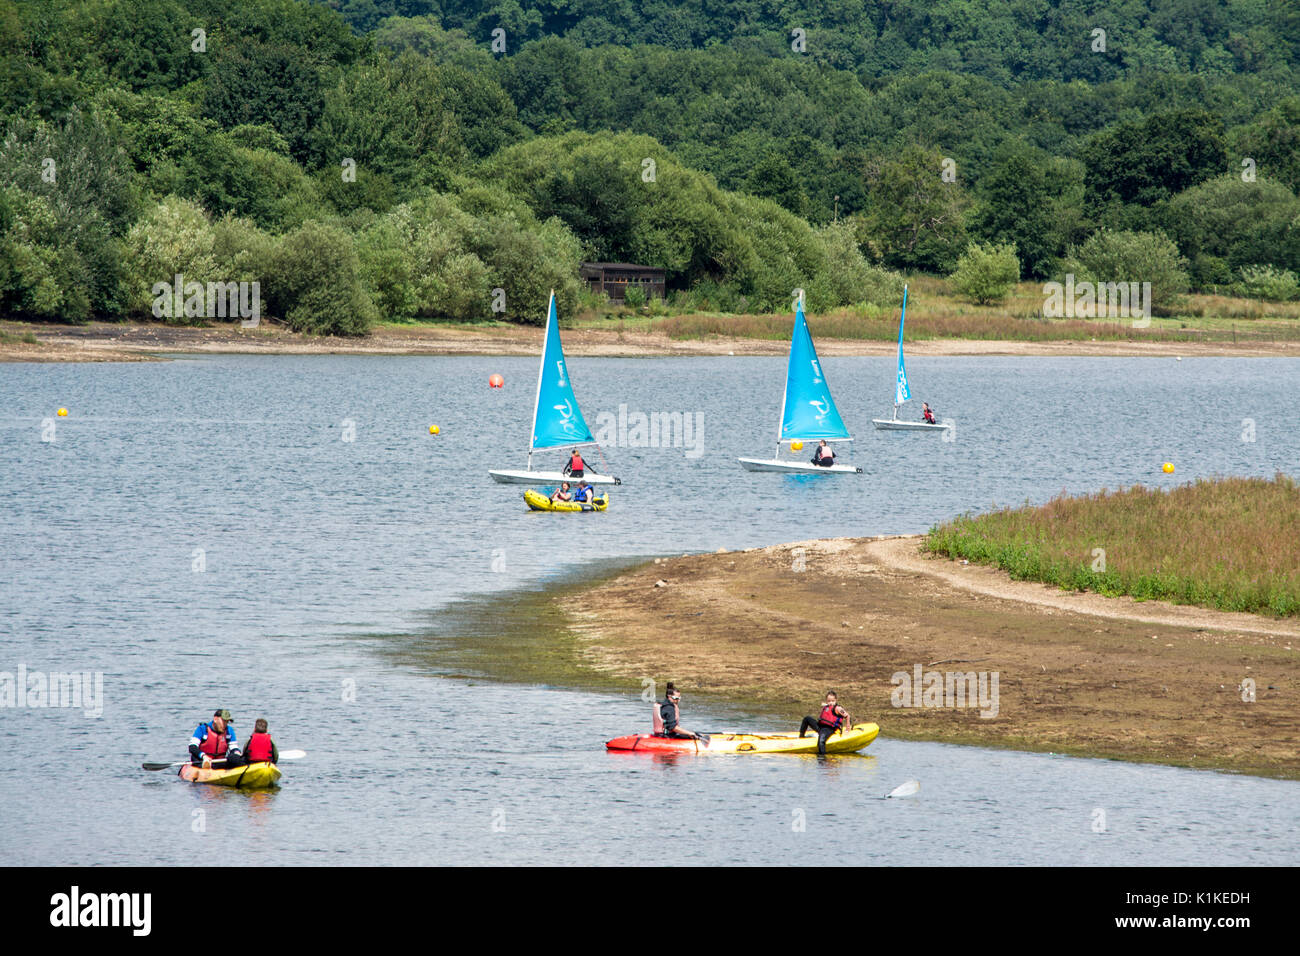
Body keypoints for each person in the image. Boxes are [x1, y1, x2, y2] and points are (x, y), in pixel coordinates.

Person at [798, 691, 853, 756]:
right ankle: (801, 737)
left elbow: (847, 716)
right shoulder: (827, 706)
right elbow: (825, 705)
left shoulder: (838, 708)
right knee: (807, 718)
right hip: (820, 727)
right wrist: (826, 704)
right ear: (827, 701)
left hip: (829, 729)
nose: (831, 703)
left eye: (833, 701)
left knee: (821, 741)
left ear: (836, 700)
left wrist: (847, 729)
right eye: (829, 701)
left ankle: (823, 759)